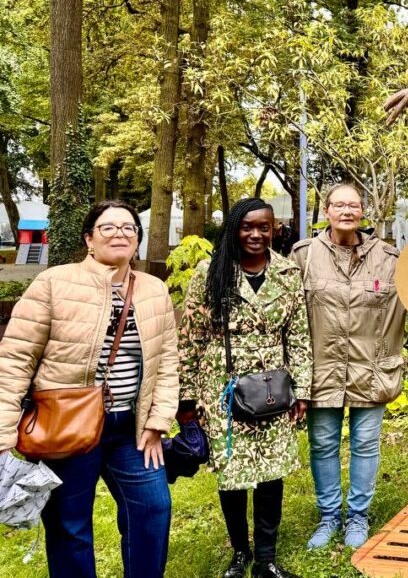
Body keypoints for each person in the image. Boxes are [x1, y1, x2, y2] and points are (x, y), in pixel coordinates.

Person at [0, 200, 178, 577]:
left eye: (129, 228)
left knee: (153, 509)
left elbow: (166, 361)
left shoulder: (153, 290)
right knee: (70, 525)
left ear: (138, 240)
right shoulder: (54, 282)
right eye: (108, 227)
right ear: (89, 239)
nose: (120, 234)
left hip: (132, 429)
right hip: (65, 426)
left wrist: (158, 420)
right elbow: (15, 359)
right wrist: (3, 430)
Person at [178, 198, 312, 578]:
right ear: (234, 228)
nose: (256, 234)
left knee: (272, 473)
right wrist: (186, 401)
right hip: (223, 389)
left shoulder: (287, 273)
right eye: (247, 226)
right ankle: (240, 554)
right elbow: (190, 340)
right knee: (232, 474)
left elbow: (299, 335)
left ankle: (266, 559)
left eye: (264, 227)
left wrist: (302, 390)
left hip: (274, 390)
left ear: (275, 229)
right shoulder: (209, 273)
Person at [290, 183, 406, 550]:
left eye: (353, 205)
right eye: (339, 205)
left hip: (370, 369)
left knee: (366, 444)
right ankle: (328, 516)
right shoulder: (304, 256)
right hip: (320, 369)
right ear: (326, 211)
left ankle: (358, 515)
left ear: (362, 212)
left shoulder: (389, 258)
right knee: (322, 443)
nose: (346, 211)